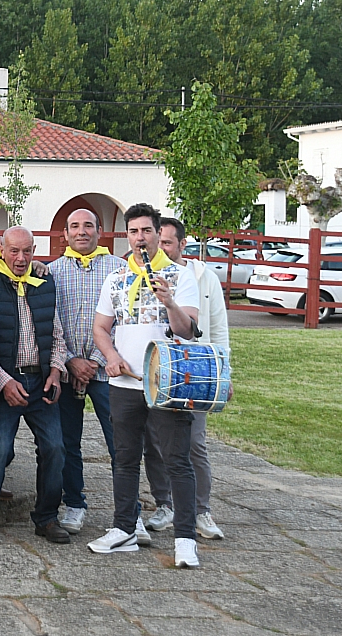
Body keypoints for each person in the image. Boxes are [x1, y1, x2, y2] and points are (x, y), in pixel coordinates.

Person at [89, 203, 201, 568]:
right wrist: (110, 356)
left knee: (176, 460)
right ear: (127, 235)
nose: (140, 238)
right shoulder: (116, 278)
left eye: (147, 231)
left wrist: (169, 300)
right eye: (134, 231)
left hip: (167, 381)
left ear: (157, 235)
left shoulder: (180, 277)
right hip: (124, 382)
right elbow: (101, 328)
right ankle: (124, 528)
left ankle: (185, 538)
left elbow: (188, 330)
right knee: (124, 458)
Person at [0, 227, 70, 546]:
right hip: (4, 381)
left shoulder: (44, 282)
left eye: (27, 251)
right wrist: (2, 381)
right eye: (14, 251)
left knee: (54, 447)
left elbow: (56, 334)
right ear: (1, 248)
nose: (21, 258)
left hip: (41, 380)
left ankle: (47, 518)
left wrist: (56, 370)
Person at [143, 217, 228, 541]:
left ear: (182, 244)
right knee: (154, 443)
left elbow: (218, 328)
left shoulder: (203, 278)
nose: (160, 246)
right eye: (157, 240)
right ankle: (165, 504)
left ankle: (200, 510)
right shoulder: (146, 274)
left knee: (194, 443)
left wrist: (223, 374)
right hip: (157, 369)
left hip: (196, 371)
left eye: (167, 242)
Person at [49, 208, 124, 536]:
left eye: (89, 226)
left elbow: (124, 319)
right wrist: (70, 360)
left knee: (120, 442)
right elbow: (49, 322)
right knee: (67, 441)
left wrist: (94, 359)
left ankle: (128, 510)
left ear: (99, 231)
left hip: (107, 369)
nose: (82, 232)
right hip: (66, 370)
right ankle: (74, 503)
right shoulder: (51, 272)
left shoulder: (119, 269)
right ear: (65, 234)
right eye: (75, 227)